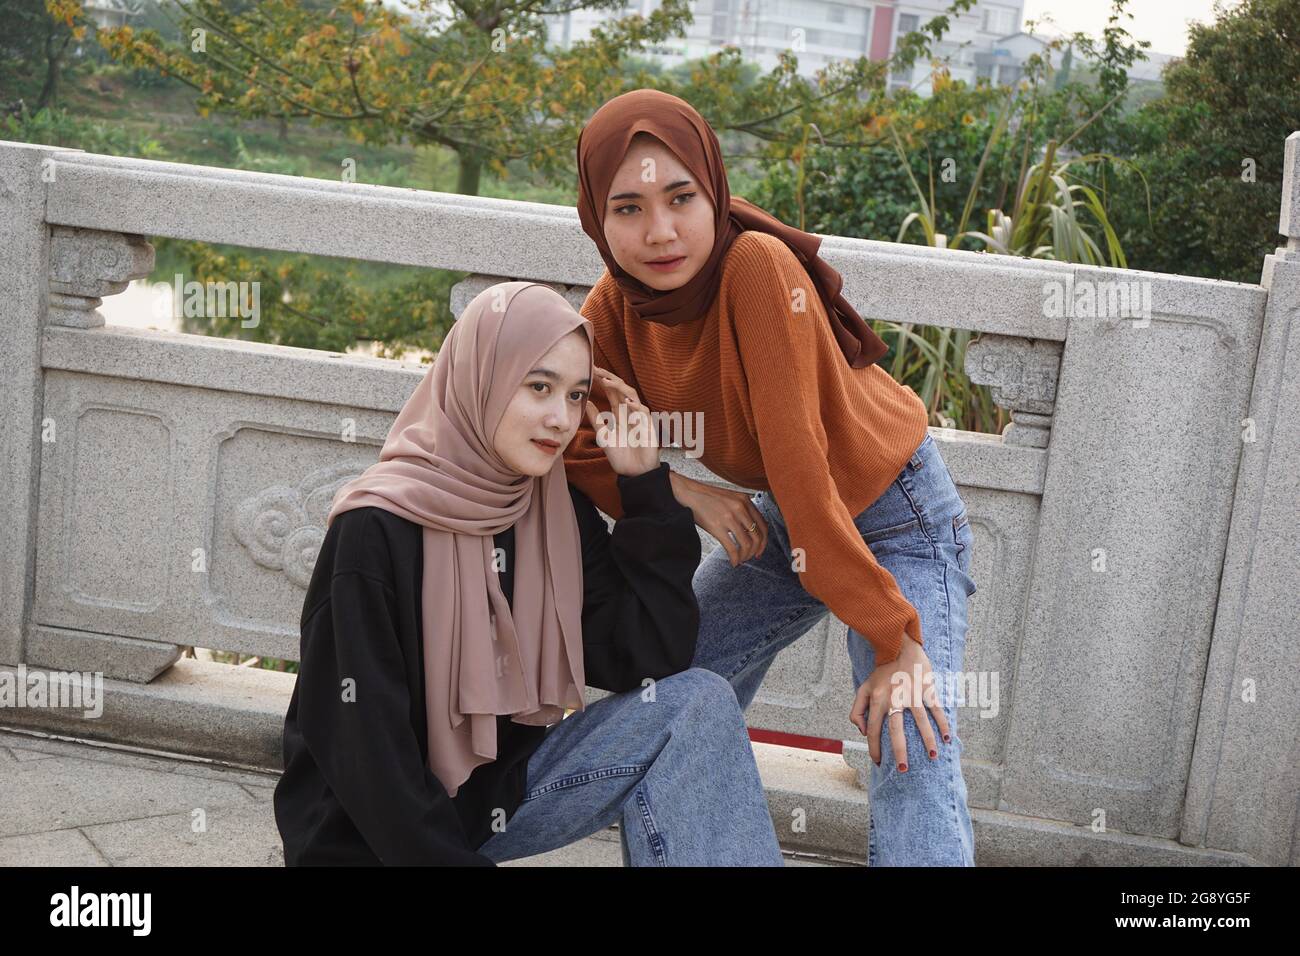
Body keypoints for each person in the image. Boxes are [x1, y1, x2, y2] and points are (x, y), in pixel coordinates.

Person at [564, 89, 979, 866]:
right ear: (595, 217)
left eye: (681, 198)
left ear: (714, 190)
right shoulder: (614, 310)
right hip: (788, 520)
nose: (659, 231)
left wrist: (897, 641)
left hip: (898, 517)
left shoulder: (757, 266)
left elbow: (801, 463)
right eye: (628, 208)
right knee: (669, 695)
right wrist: (684, 492)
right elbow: (561, 434)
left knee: (910, 739)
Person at [272, 281, 784, 866]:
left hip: (490, 801)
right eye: (539, 387)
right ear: (481, 378)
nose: (560, 419)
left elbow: (648, 659)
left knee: (698, 700)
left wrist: (646, 488)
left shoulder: (552, 511)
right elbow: (368, 753)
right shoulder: (374, 528)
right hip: (359, 839)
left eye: (575, 396)